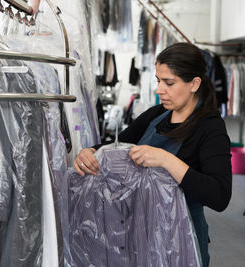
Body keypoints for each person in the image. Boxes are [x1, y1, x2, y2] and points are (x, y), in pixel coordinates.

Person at [74, 42, 232, 267]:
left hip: (183, 240)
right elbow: (118, 145)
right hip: (141, 232)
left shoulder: (210, 128)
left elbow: (220, 195)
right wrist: (90, 152)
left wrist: (166, 160)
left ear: (194, 84)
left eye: (169, 83)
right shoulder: (156, 115)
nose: (159, 90)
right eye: (159, 81)